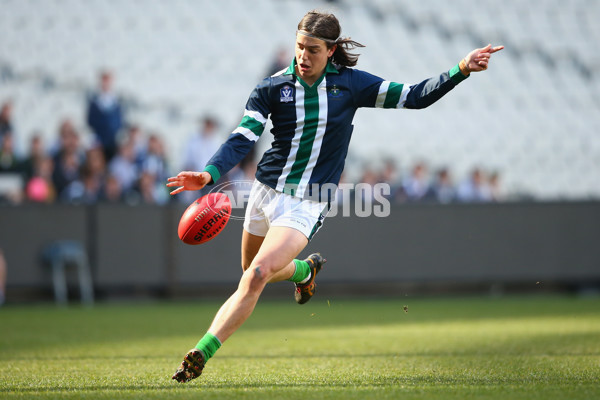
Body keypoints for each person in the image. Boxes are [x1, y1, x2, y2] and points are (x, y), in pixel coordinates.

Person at [166, 10, 503, 383]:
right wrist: (209, 173)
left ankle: (202, 351)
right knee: (251, 271)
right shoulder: (271, 88)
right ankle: (305, 270)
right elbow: (243, 137)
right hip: (264, 192)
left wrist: (461, 68)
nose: (303, 56)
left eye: (312, 49)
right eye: (299, 47)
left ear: (331, 51)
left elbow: (414, 97)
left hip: (307, 201)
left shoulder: (351, 85)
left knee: (258, 274)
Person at [86, 70, 124, 162]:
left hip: (112, 140)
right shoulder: (95, 101)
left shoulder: (116, 101)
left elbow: (120, 121)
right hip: (99, 140)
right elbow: (90, 120)